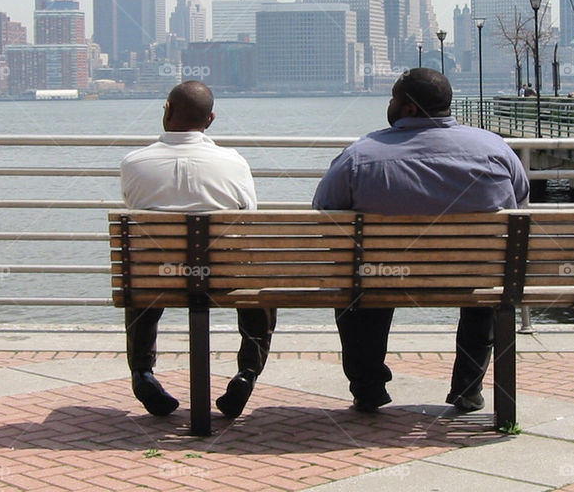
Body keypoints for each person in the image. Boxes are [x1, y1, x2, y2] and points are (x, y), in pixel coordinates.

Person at [312, 68, 529, 413]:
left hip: (382, 274)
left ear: (409, 108)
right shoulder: (495, 149)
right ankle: (467, 388)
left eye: (394, 97)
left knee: (360, 279)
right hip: (474, 273)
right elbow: (519, 199)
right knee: (488, 280)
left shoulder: (359, 156)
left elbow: (324, 213)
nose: (390, 103)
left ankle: (368, 388)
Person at [120, 81, 275, 419]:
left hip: (158, 278)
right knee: (257, 287)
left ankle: (142, 372)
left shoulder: (134, 163)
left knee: (142, 275)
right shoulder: (234, 163)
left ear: (168, 111)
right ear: (211, 119)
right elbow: (248, 219)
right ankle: (247, 372)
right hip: (223, 280)